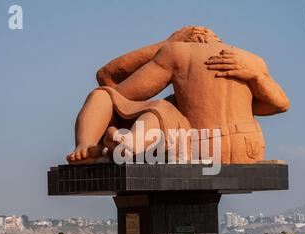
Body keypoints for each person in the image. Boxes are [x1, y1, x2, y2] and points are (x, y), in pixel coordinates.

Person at [67, 26, 289, 165]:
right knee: (173, 104)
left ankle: (92, 147)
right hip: (248, 150)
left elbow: (110, 82)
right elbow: (280, 105)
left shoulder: (178, 52)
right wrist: (258, 77)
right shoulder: (251, 60)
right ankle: (126, 144)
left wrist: (166, 44)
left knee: (144, 105)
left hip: (200, 148)